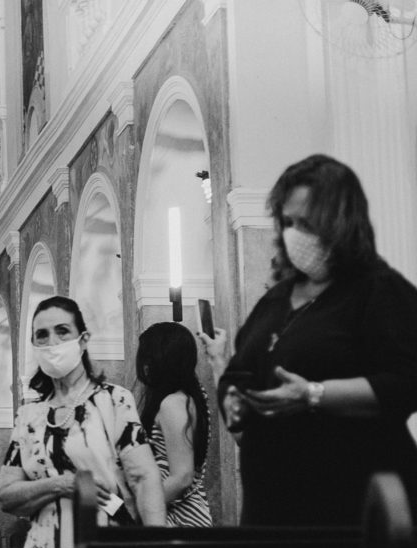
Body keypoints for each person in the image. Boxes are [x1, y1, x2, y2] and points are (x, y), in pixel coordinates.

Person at [219, 154, 417, 525]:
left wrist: (313, 394)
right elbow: (240, 370)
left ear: (340, 222)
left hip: (349, 511)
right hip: (270, 513)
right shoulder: (275, 300)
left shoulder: (379, 291)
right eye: (287, 222)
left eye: (306, 223)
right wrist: (235, 400)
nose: (294, 234)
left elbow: (406, 382)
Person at [0, 295, 167, 548]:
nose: (52, 342)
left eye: (62, 331)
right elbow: (4, 494)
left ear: (83, 340)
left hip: (105, 546)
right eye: (42, 335)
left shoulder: (113, 400)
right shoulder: (29, 416)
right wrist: (60, 484)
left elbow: (144, 478)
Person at [135, 322, 213, 527]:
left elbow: (182, 477)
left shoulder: (173, 404)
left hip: (179, 518)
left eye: (148, 358)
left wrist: (139, 506)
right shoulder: (189, 398)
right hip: (185, 515)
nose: (145, 366)